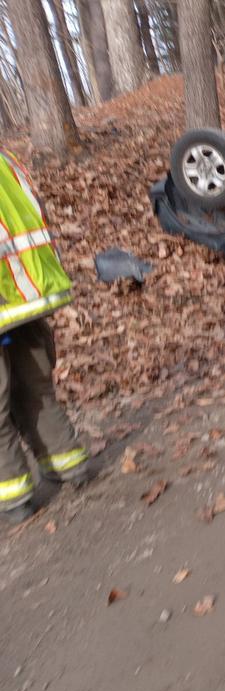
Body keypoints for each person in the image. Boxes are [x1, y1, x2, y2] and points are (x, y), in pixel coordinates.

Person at [0, 149, 88, 523]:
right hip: (28, 292)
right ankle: (70, 465)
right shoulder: (5, 159)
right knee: (35, 386)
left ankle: (14, 498)